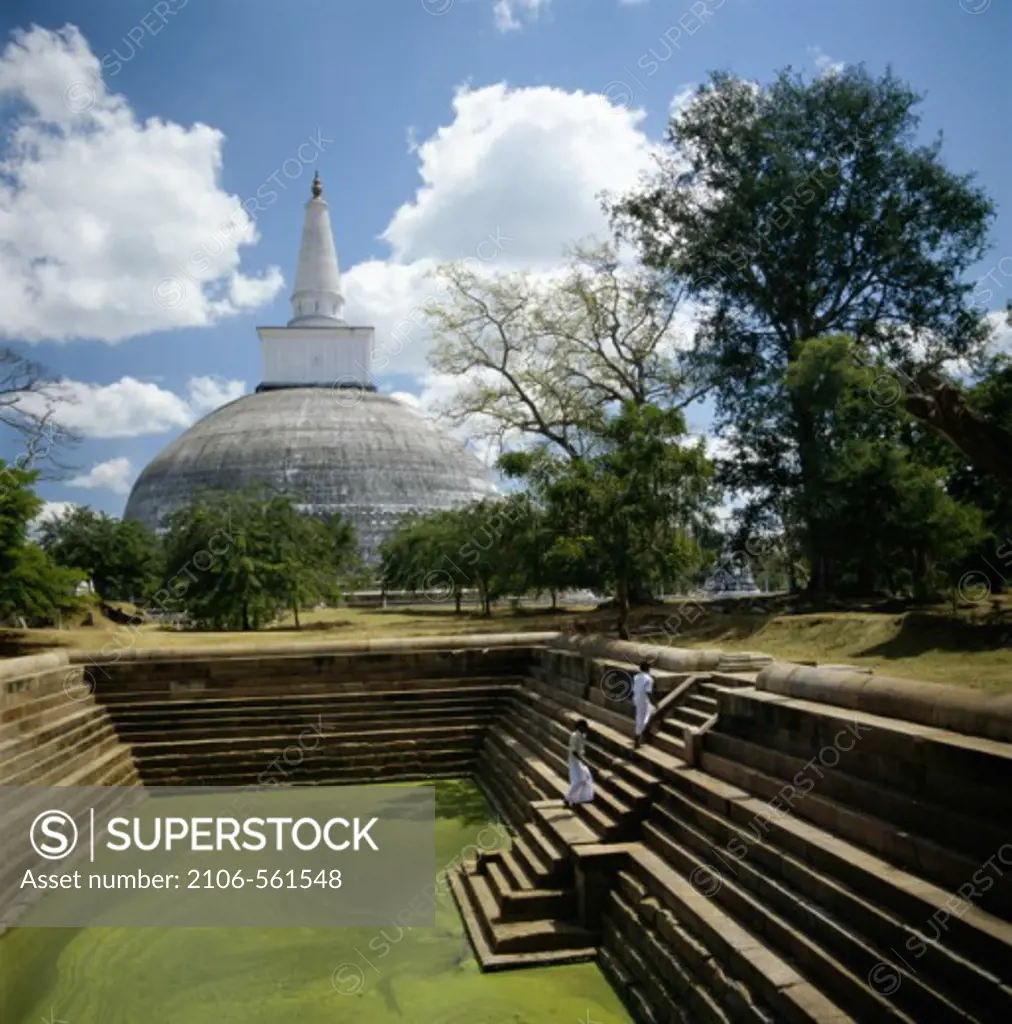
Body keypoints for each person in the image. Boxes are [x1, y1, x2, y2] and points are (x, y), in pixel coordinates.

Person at [564, 719, 594, 807]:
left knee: (586, 778)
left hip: (579, 761)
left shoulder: (582, 735)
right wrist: (582, 759)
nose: (586, 729)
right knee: (578, 781)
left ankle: (581, 798)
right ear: (580, 727)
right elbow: (573, 751)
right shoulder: (574, 736)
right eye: (585, 727)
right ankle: (567, 798)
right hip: (574, 761)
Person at [632, 661, 655, 748]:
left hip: (636, 698)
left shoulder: (636, 677)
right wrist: (655, 702)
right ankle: (637, 738)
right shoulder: (649, 679)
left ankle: (641, 735)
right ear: (648, 669)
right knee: (644, 718)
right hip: (644, 700)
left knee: (640, 717)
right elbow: (649, 692)